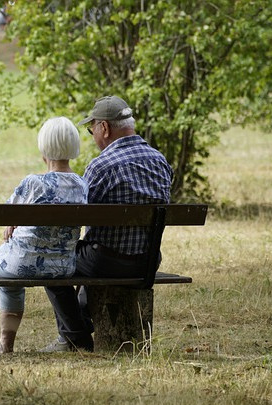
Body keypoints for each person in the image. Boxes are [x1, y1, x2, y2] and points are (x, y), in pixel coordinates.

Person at [42, 95, 174, 352]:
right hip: (147, 261)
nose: (93, 136)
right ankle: (81, 322)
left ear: (104, 127)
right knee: (88, 252)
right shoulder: (160, 161)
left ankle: (74, 337)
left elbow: (76, 215)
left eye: (92, 130)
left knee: (51, 260)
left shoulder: (101, 166)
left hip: (106, 262)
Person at [0, 116, 89, 356]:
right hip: (62, 267)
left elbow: (5, 215)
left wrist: (13, 223)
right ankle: (5, 346)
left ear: (43, 149)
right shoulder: (82, 185)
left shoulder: (33, 183)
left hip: (20, 263)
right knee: (8, 274)